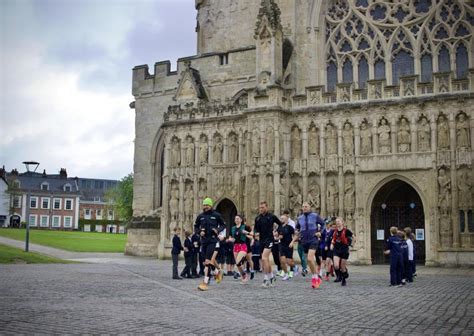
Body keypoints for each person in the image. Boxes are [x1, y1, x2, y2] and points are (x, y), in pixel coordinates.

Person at [194, 198, 225, 291]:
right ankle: (217, 271)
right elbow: (195, 226)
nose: (205, 207)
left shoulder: (216, 215)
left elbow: (223, 225)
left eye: (207, 205)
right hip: (204, 241)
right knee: (205, 261)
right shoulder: (200, 216)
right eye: (204, 205)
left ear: (211, 206)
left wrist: (218, 230)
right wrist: (199, 232)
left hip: (212, 240)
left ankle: (205, 282)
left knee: (207, 261)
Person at [296, 202, 325, 288]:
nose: (304, 208)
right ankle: (315, 276)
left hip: (313, 239)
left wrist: (320, 232)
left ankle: (314, 277)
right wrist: (297, 232)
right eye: (303, 207)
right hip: (304, 241)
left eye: (306, 206)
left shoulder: (315, 216)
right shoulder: (299, 218)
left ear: (309, 207)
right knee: (309, 261)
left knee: (309, 258)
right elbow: (297, 227)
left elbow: (323, 224)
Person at [254, 201, 282, 288]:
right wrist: (256, 234)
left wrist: (277, 232)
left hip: (270, 240)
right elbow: (256, 229)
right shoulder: (257, 218)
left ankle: (266, 279)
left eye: (263, 207)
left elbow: (280, 224)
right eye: (260, 208)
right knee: (265, 260)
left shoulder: (272, 216)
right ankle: (272, 277)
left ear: (267, 207)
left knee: (264, 258)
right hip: (261, 240)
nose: (261, 209)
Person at [330, 217, 353, 286]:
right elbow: (333, 239)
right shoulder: (335, 231)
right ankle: (339, 276)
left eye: (339, 221)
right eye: (336, 221)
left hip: (344, 249)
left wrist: (351, 244)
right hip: (336, 249)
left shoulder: (346, 231)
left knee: (342, 267)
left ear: (342, 222)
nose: (337, 223)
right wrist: (331, 244)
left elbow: (353, 237)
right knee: (336, 266)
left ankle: (344, 278)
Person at [229, 214, 251, 283]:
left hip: (243, 245)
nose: (236, 220)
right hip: (235, 246)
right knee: (238, 264)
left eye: (238, 218)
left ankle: (244, 274)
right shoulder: (232, 228)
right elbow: (230, 237)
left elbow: (252, 235)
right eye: (235, 219)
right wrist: (230, 239)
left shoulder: (245, 227)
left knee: (238, 261)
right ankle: (243, 275)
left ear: (241, 220)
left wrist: (246, 233)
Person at [283, 209, 306, 276]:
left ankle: (299, 268)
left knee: (301, 257)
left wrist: (293, 241)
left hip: (292, 241)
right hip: (284, 242)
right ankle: (287, 269)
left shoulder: (292, 223)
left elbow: (294, 231)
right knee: (284, 257)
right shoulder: (282, 223)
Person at [278, 213, 296, 280]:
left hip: (289, 245)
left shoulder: (290, 227)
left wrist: (292, 242)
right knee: (282, 261)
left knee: (289, 262)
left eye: (282, 219)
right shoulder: (279, 227)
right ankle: (286, 274)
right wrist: (278, 237)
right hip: (282, 245)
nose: (281, 220)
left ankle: (294, 266)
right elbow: (277, 235)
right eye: (281, 218)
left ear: (286, 220)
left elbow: (295, 235)